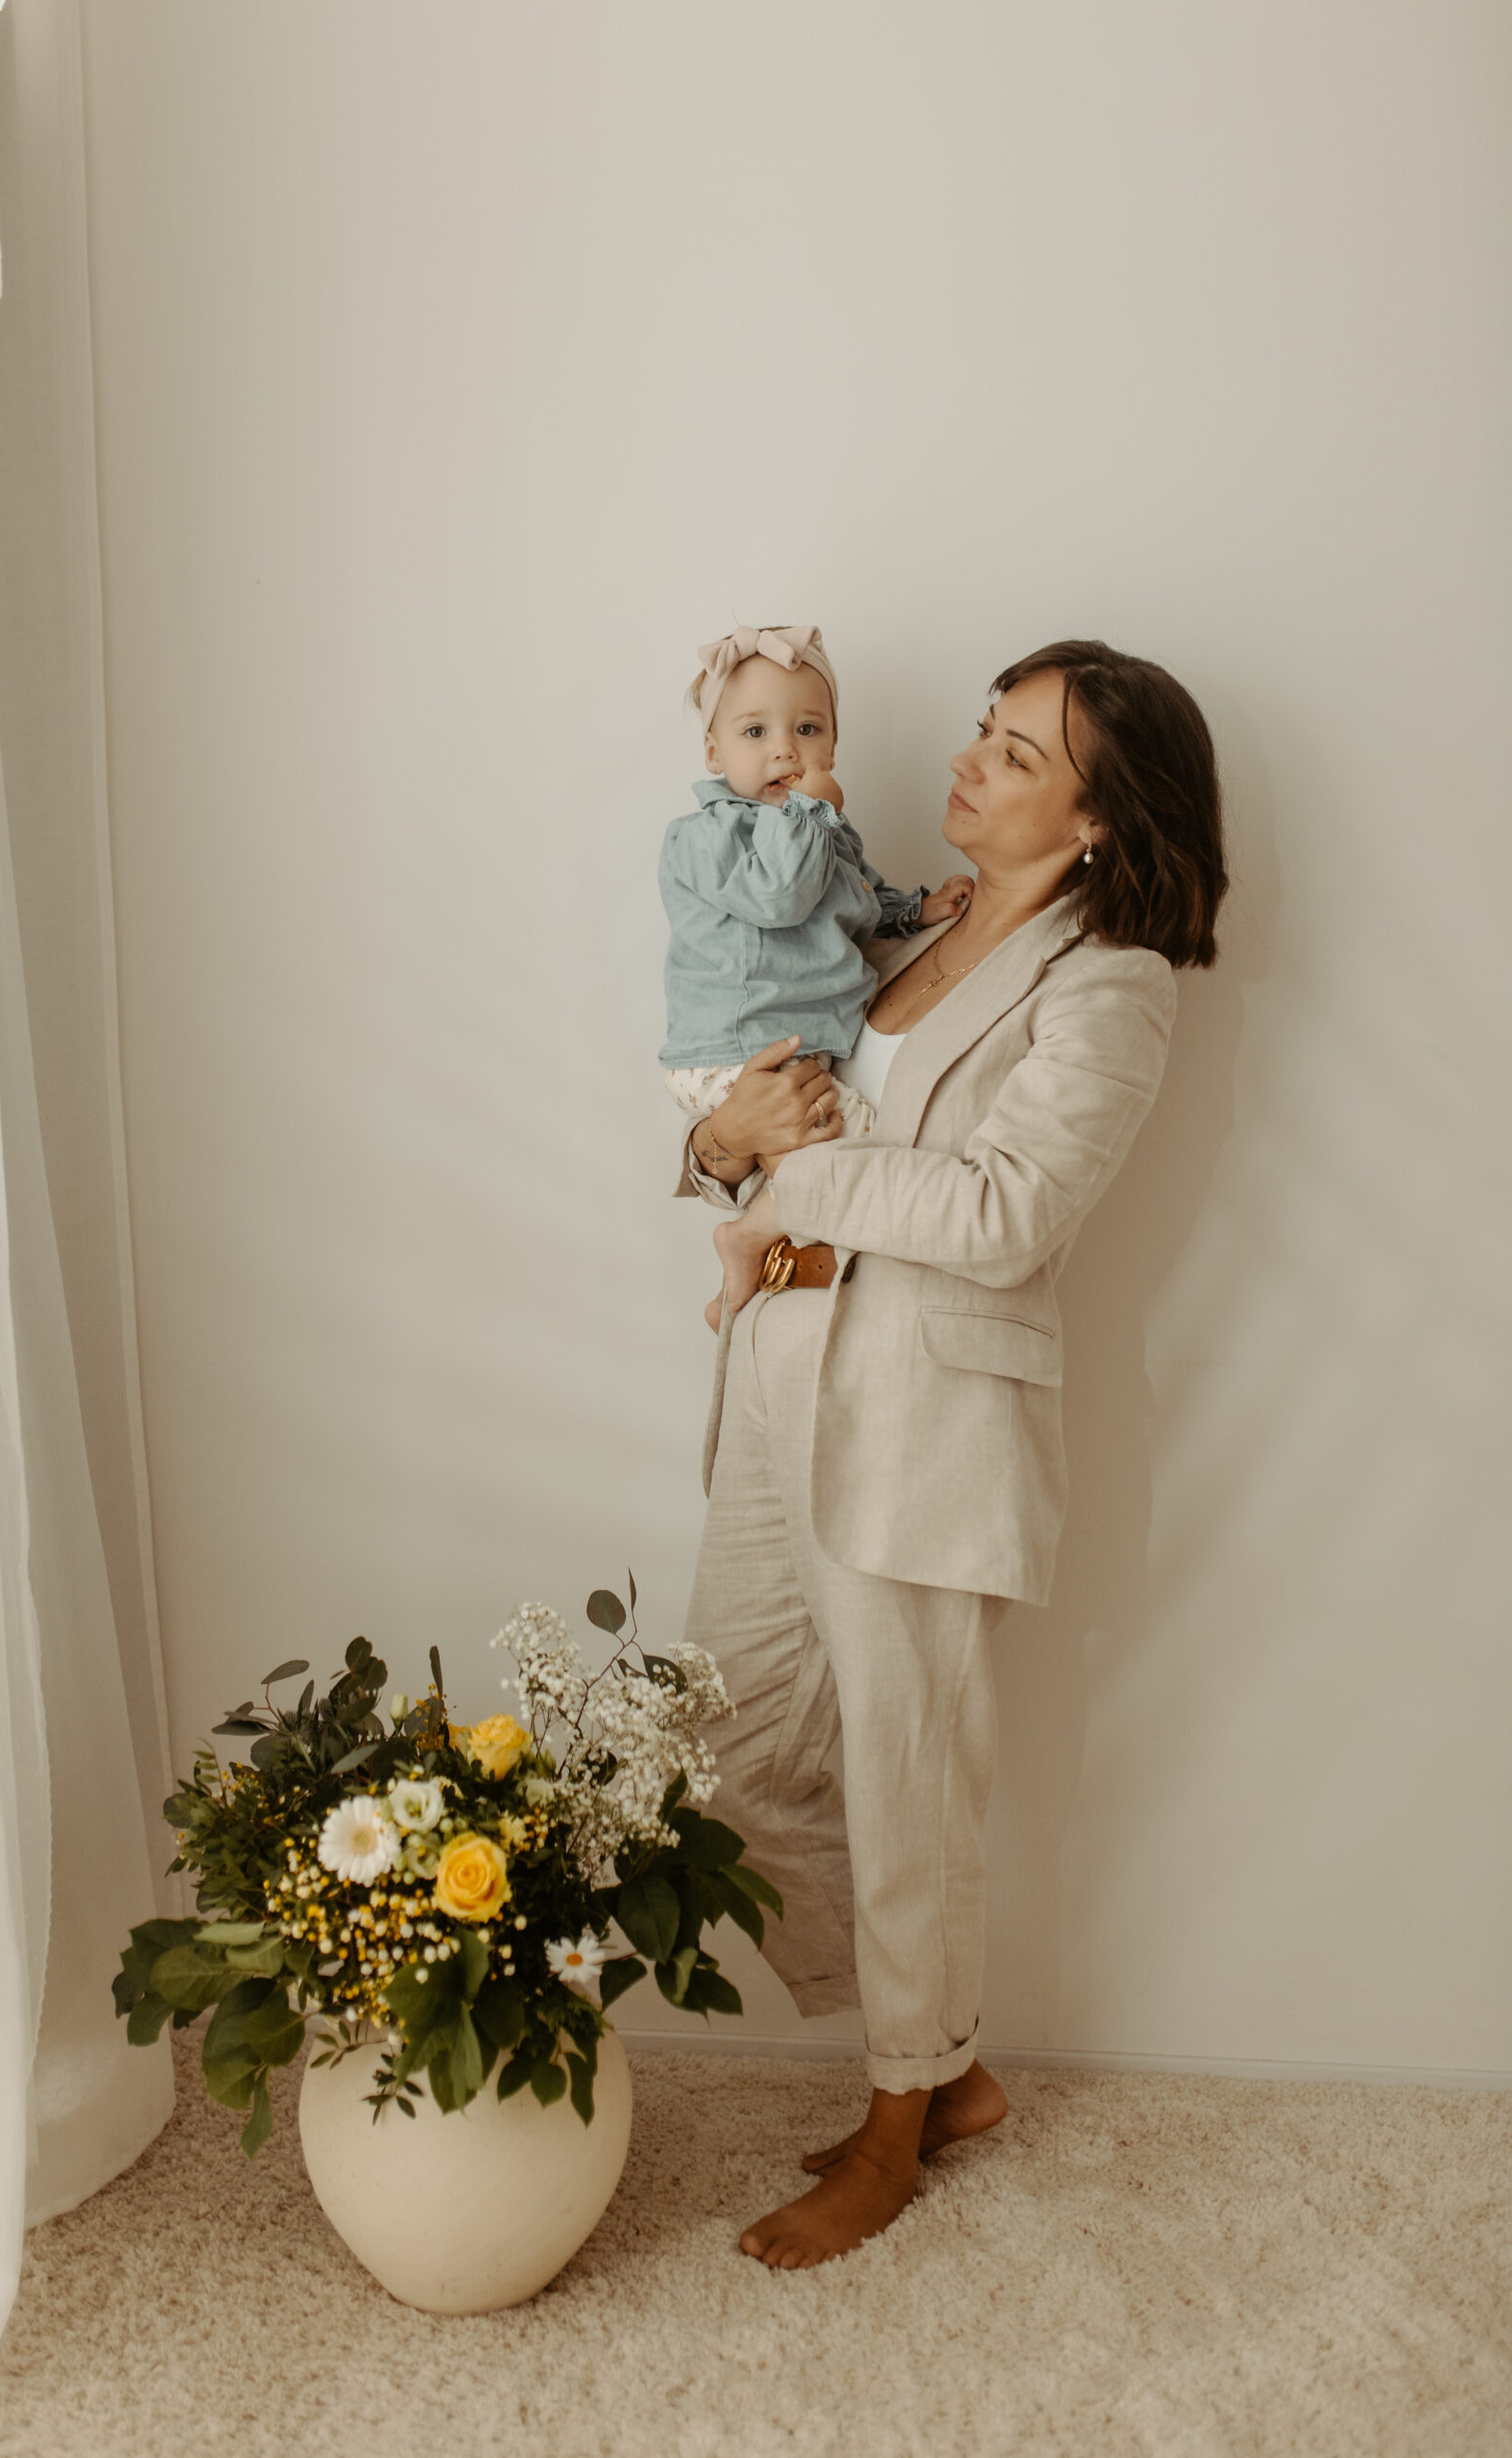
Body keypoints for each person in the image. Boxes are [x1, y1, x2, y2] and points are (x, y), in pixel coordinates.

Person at [677, 639, 1229, 2268]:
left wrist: (795, 1173)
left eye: (1016, 753)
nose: (969, 762)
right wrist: (719, 1145)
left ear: (1098, 821)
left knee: (904, 1775)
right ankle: (945, 2063)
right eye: (984, 731)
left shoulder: (1109, 984)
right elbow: (761, 1110)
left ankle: (897, 2114)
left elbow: (1003, 1214)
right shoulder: (893, 927)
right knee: (730, 1737)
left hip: (921, 1406)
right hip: (774, 1361)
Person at [660, 625, 973, 1326]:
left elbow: (856, 904)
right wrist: (809, 809)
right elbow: (781, 896)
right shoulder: (707, 836)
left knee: (825, 1151)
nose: (784, 750)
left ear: (833, 746)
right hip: (737, 1048)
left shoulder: (824, 831)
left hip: (786, 1046)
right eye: (754, 731)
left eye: (806, 729)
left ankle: (757, 1252)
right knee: (861, 1141)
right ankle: (751, 1242)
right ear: (713, 752)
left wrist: (916, 909)